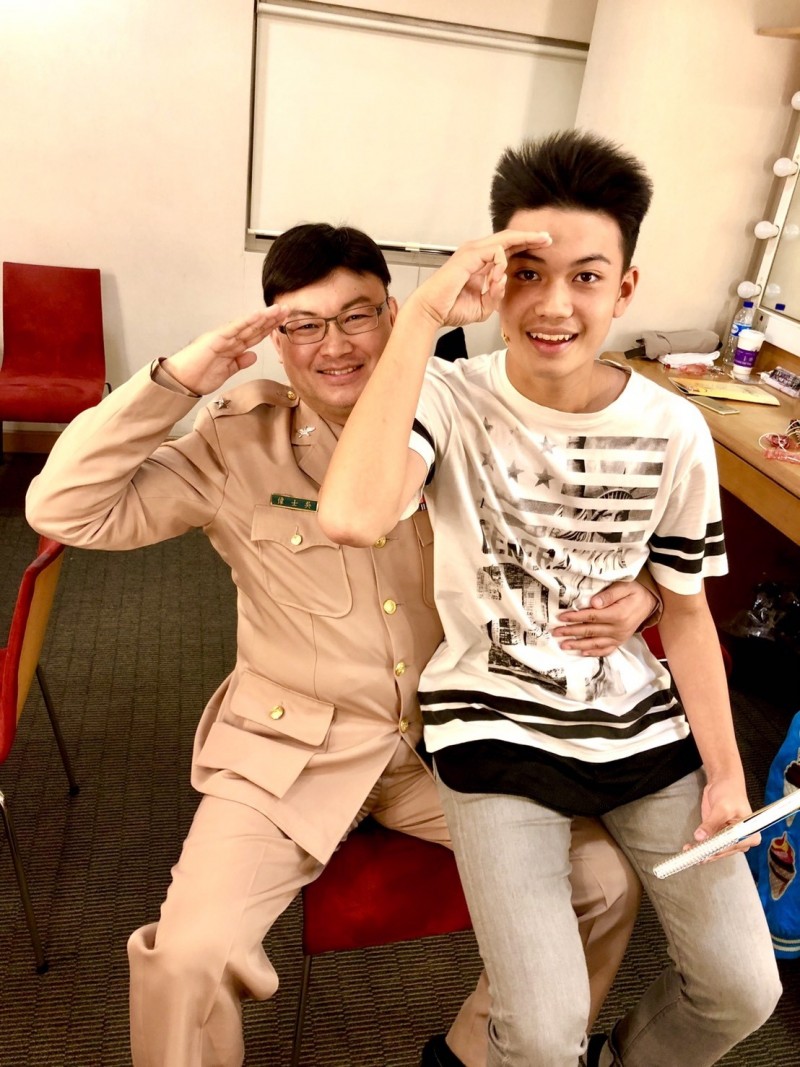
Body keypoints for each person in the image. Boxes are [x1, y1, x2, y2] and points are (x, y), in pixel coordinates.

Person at [26, 223, 659, 1067]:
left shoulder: (467, 422)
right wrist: (177, 381)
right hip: (292, 748)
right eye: (304, 324)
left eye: (357, 316)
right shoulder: (237, 441)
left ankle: (478, 1053)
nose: (335, 346)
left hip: (450, 742)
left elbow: (590, 538)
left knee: (604, 884)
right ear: (276, 337)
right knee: (184, 959)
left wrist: (647, 592)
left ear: (395, 315)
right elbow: (62, 508)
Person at [318, 131, 783, 1067]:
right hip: (492, 719)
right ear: (494, 276)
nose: (554, 304)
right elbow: (353, 514)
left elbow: (687, 609)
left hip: (637, 726)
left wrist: (728, 775)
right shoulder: (448, 393)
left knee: (745, 990)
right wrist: (422, 317)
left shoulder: (675, 428)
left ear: (625, 289)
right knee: (537, 1029)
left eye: (586, 277)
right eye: (527, 273)